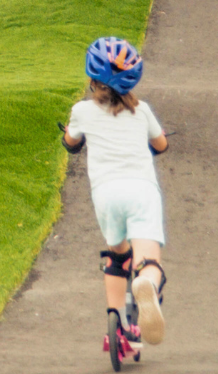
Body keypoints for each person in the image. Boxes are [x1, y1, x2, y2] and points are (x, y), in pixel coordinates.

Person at [61, 38, 171, 353]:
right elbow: (161, 145)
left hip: (106, 194)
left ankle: (116, 326)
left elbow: (71, 141)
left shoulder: (81, 111)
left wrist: (72, 140)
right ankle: (146, 283)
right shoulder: (143, 111)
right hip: (141, 190)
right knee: (146, 260)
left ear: (92, 77)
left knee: (117, 255)